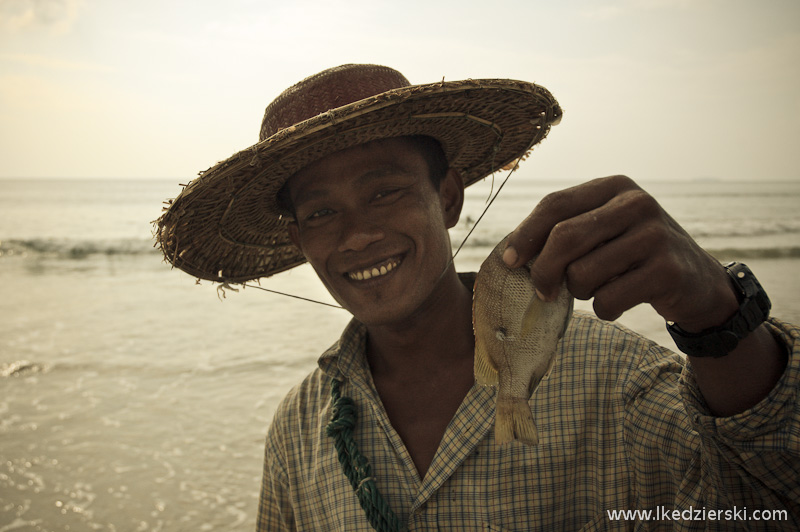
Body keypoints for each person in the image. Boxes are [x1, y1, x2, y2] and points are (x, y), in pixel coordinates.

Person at [155, 64, 799, 531]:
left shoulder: (620, 379)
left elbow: (766, 504)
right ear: (300, 240)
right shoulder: (299, 429)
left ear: (450, 198)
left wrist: (722, 321)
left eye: (385, 192)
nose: (357, 234)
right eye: (321, 212)